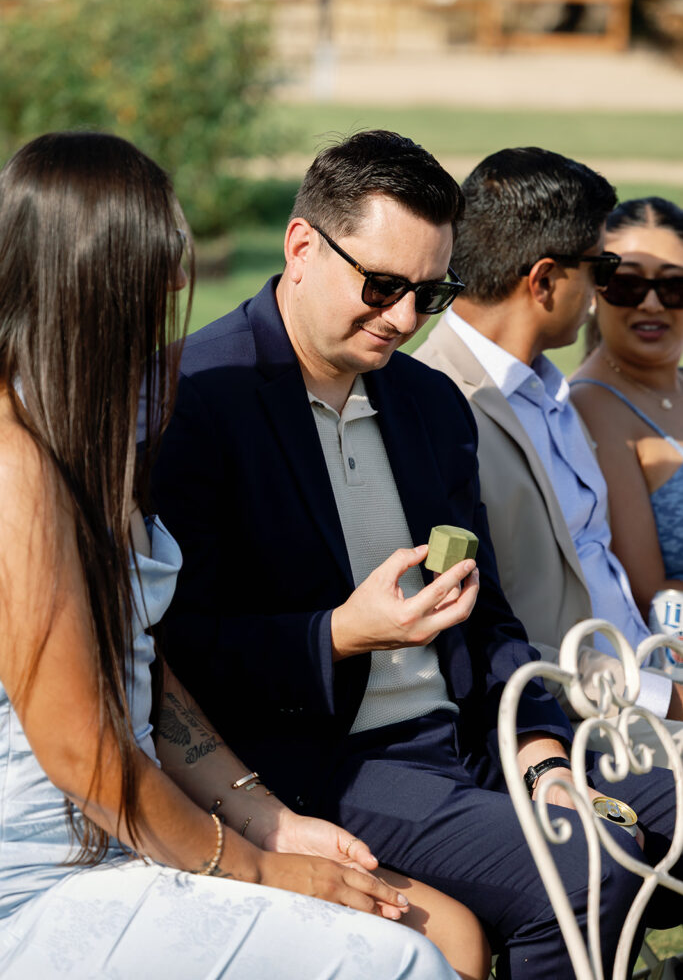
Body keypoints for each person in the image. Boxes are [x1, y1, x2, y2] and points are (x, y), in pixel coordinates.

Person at [151, 130, 683, 979]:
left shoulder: (428, 402)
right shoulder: (195, 399)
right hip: (337, 765)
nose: (401, 317)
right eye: (382, 285)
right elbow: (172, 654)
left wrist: (542, 756)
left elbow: (493, 612)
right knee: (580, 874)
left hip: (483, 734)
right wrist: (338, 635)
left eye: (427, 294)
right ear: (300, 246)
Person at [0, 130, 479, 980]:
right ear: (89, 280)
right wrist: (256, 865)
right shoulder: (15, 467)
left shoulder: (78, 432)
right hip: (42, 873)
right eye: (158, 263)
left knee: (442, 931)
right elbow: (83, 751)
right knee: (394, 961)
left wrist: (265, 819)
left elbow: (142, 671)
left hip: (134, 828)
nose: (180, 283)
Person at [413, 147, 683, 751]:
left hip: (653, 678)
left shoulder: (547, 389)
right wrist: (666, 698)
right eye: (602, 268)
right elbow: (476, 635)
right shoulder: (436, 408)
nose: (604, 287)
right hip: (587, 725)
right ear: (544, 281)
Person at [571, 197, 683, 619]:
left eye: (673, 286)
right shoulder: (591, 406)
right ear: (596, 288)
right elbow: (647, 594)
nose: (651, 304)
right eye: (627, 284)